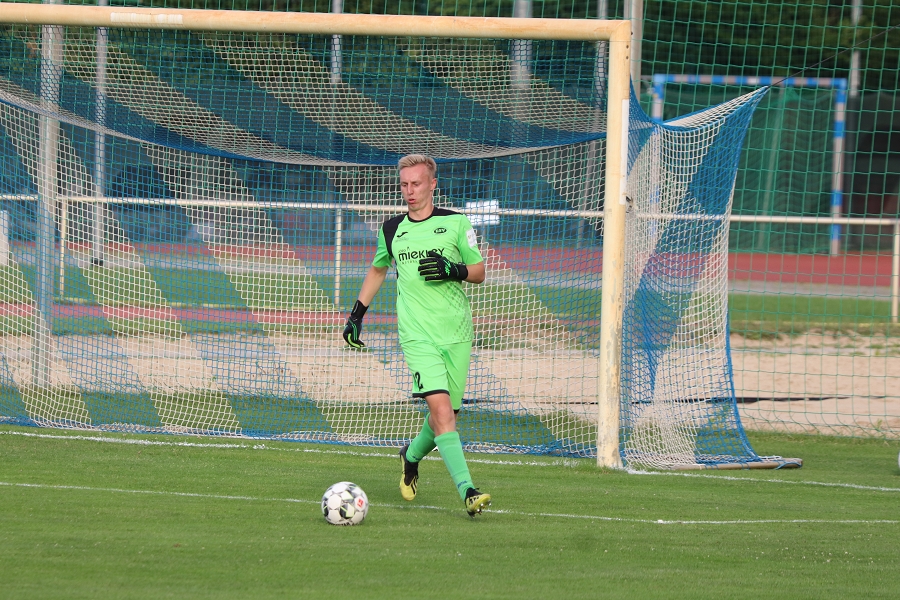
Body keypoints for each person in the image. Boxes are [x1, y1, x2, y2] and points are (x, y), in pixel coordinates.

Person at [342, 154, 491, 517]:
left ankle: (409, 456)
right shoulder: (392, 229)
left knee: (448, 415)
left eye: (417, 184)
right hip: (416, 335)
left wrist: (452, 269)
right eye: (405, 184)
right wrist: (356, 315)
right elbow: (378, 270)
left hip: (457, 332)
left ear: (432, 184)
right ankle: (468, 491)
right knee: (441, 411)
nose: (409, 191)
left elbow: (479, 271)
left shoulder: (455, 222)